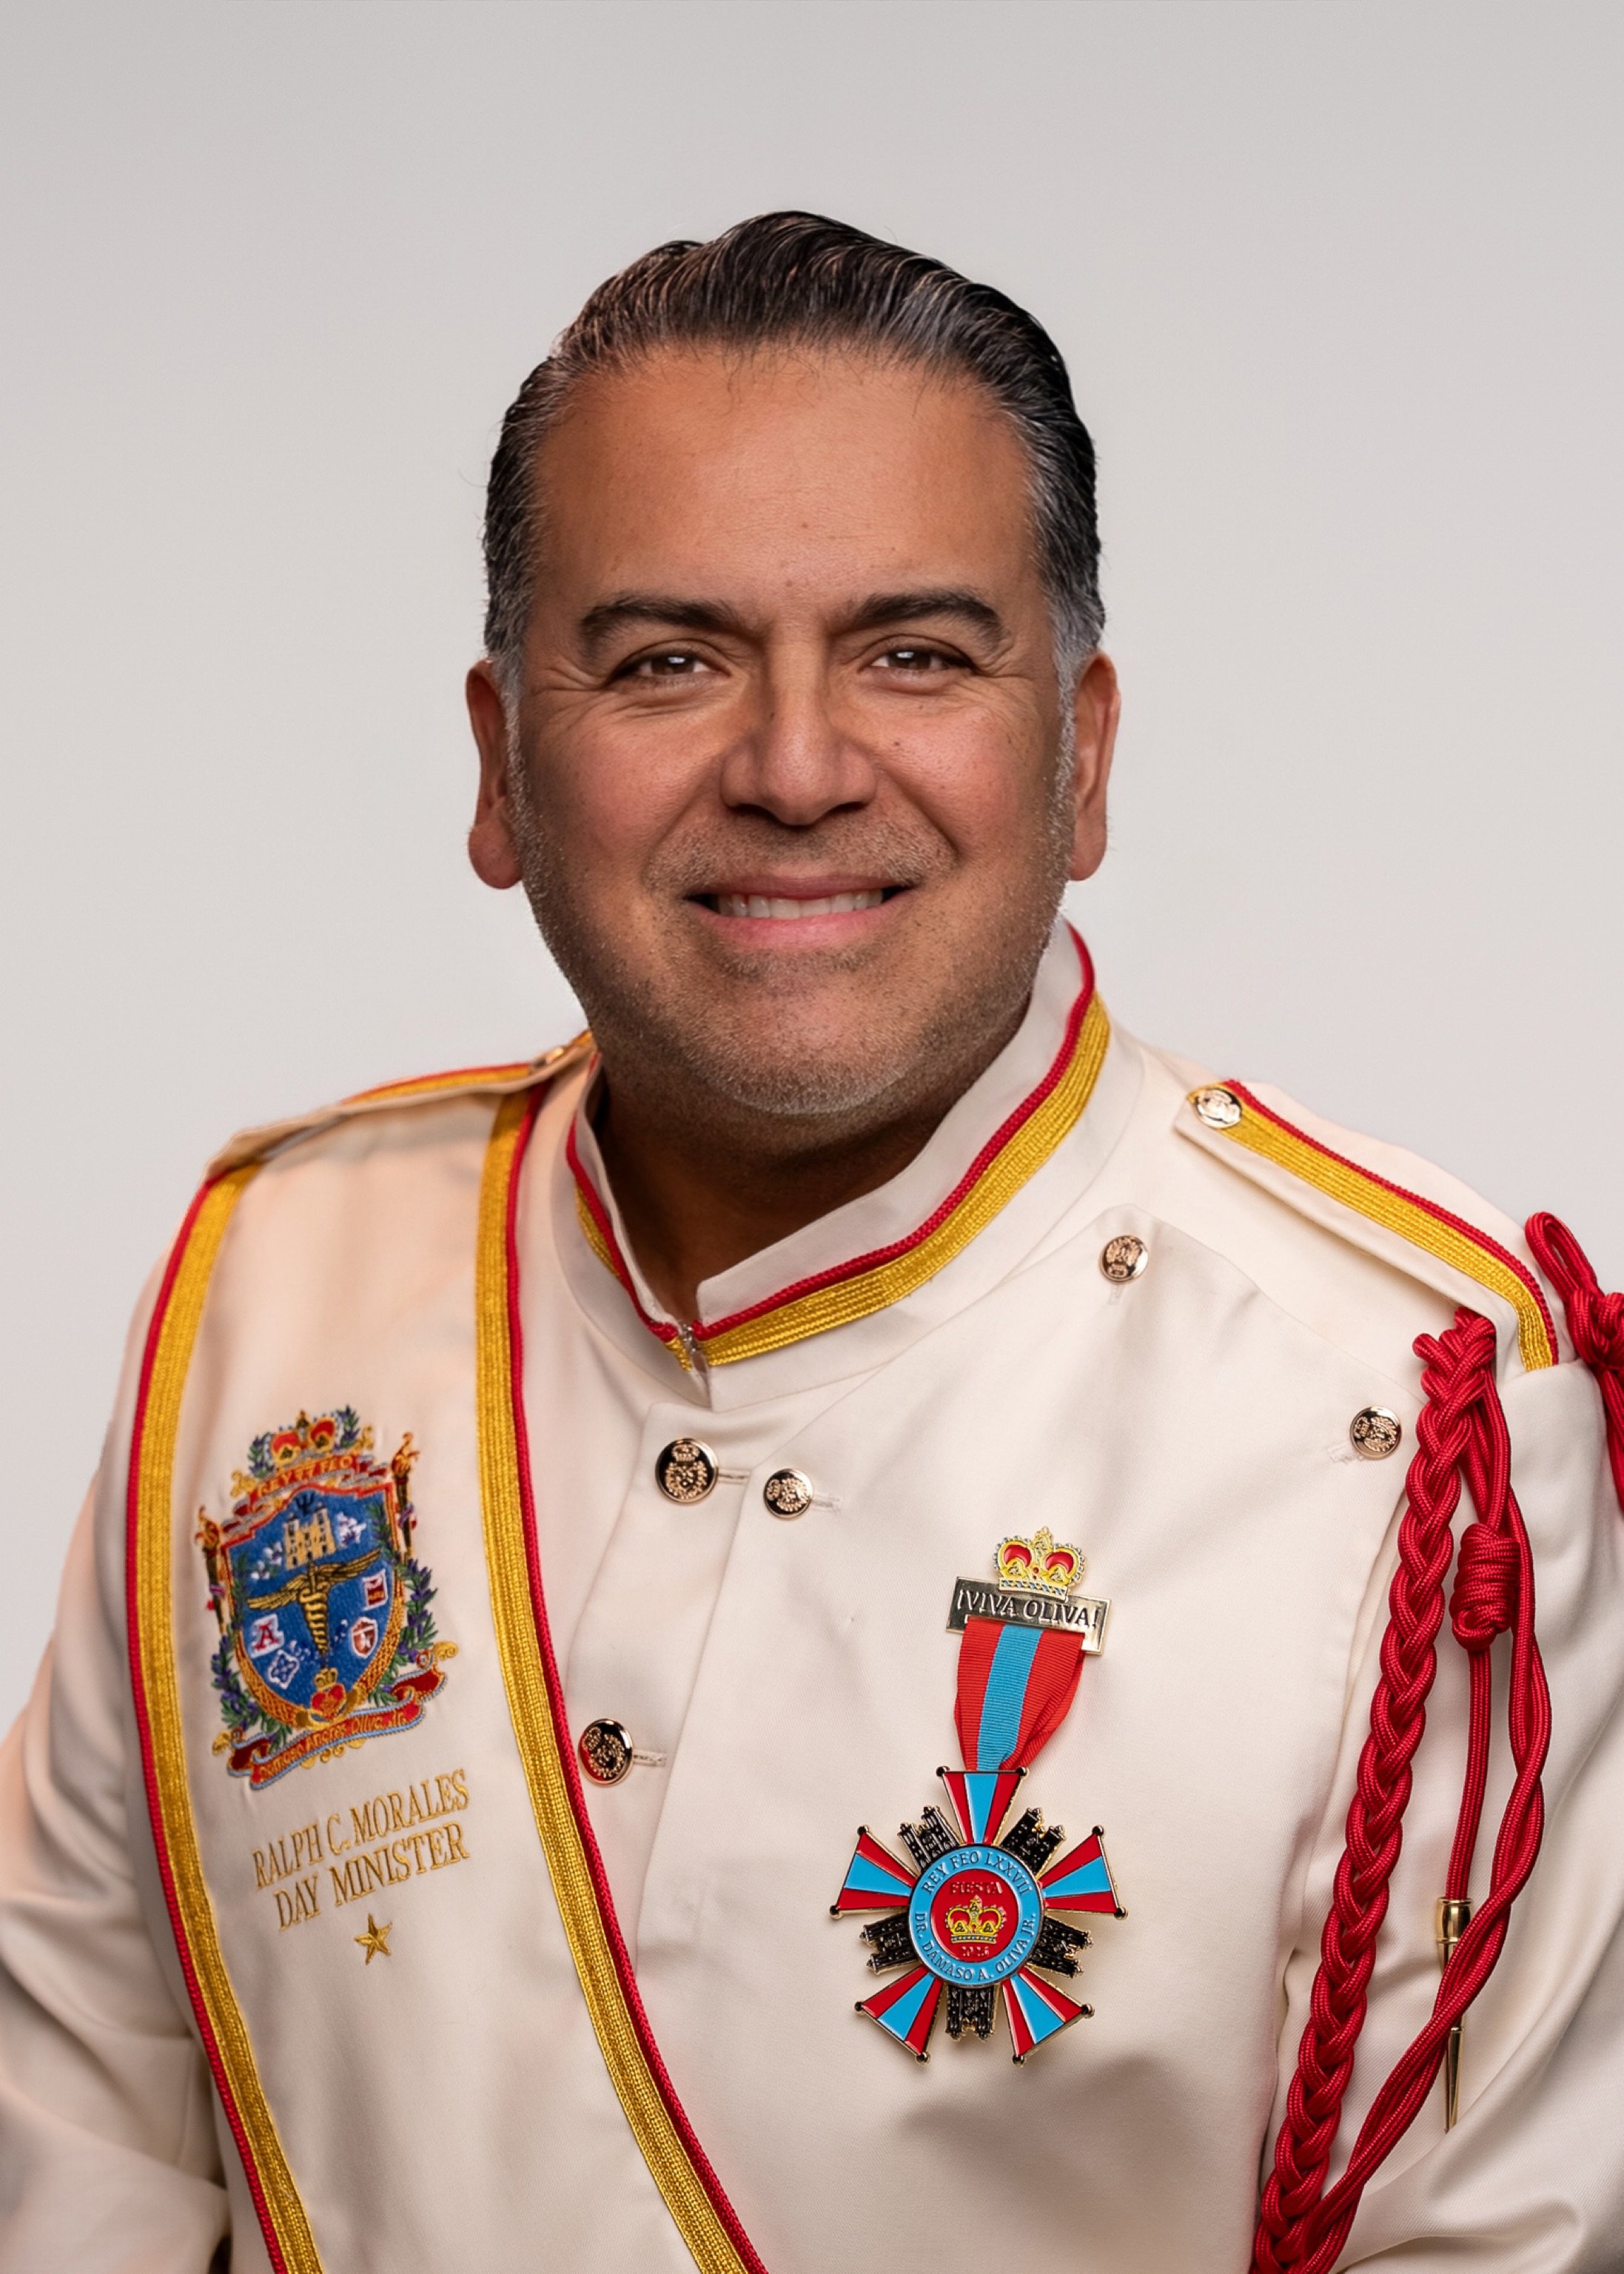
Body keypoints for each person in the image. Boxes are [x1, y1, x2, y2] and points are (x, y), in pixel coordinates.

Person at [2, 212, 1622, 2274]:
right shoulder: (274, 1283)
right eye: (667, 659)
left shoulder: (1411, 1408)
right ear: (500, 761)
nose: (790, 768)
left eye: (914, 655)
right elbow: (71, 2157)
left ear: (1083, 750)